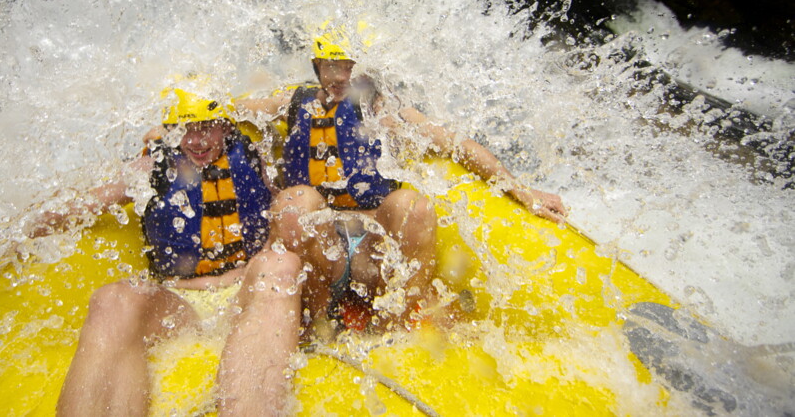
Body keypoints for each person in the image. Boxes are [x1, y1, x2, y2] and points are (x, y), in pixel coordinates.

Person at [236, 24, 567, 333]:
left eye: (349, 67)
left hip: (373, 253)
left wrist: (522, 191)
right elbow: (232, 109)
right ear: (317, 67)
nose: (339, 77)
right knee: (296, 202)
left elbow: (458, 145)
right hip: (319, 253)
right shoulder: (294, 104)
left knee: (413, 206)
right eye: (331, 66)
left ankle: (391, 329)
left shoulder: (386, 113)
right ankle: (317, 329)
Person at [40, 90, 303, 417]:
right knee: (113, 298)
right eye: (184, 129)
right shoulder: (150, 168)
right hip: (178, 305)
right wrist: (2, 242)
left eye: (207, 127)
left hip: (245, 294)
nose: (196, 140)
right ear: (169, 130)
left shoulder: (251, 157)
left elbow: (285, 204)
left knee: (281, 265)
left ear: (226, 125)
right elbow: (81, 205)